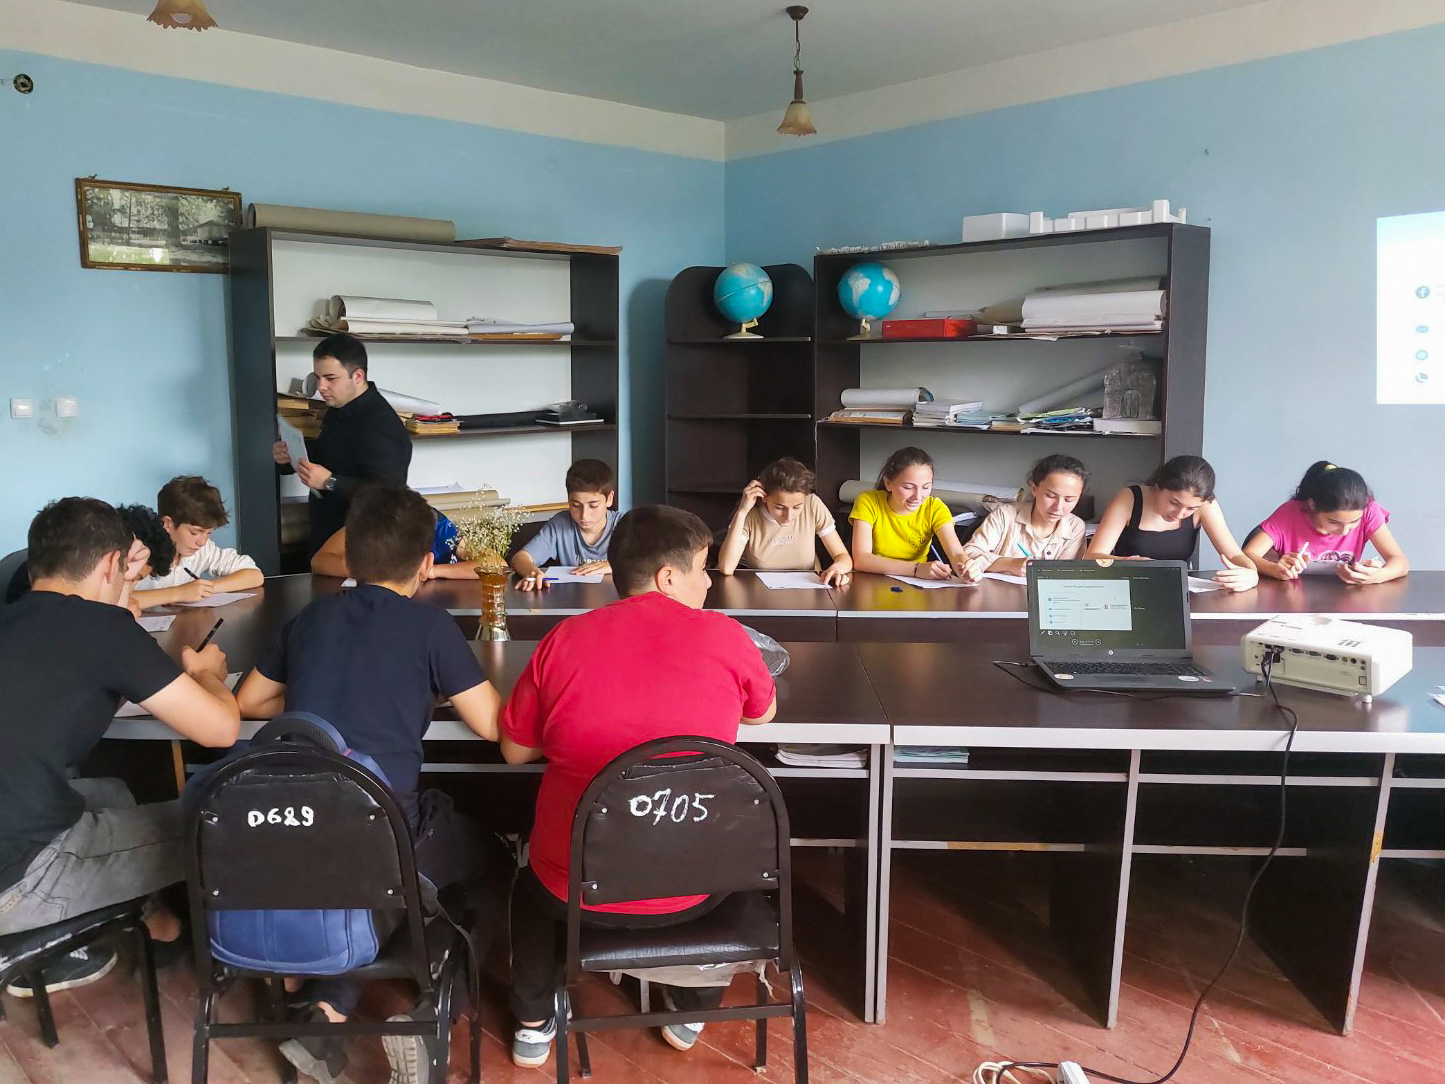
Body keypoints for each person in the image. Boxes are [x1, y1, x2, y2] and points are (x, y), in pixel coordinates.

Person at [236, 483, 505, 1084]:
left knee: (360, 882)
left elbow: (250, 701)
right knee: (490, 865)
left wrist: (313, 688)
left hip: (297, 826)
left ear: (350, 559)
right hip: (387, 833)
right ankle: (432, 1017)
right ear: (427, 564)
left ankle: (326, 1012)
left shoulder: (310, 618)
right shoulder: (430, 626)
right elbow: (491, 724)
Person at [500, 506, 777, 1068]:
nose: (708, 583)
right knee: (739, 868)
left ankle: (532, 1022)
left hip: (575, 888)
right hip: (694, 885)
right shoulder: (726, 635)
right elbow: (761, 714)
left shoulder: (564, 638)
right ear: (667, 577)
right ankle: (691, 1007)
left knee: (526, 887)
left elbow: (515, 751)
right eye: (702, 568)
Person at [0, 498, 239, 995]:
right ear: (113, 563)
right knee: (225, 823)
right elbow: (220, 730)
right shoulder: (104, 630)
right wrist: (208, 675)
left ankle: (156, 923)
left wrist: (121, 588)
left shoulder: (11, 618)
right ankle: (232, 952)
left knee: (111, 791)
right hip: (18, 881)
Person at [273, 333, 412, 556]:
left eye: (330, 378)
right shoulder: (338, 410)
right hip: (328, 537)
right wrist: (289, 456)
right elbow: (331, 454)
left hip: (361, 547)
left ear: (357, 376)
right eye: (317, 377)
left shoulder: (380, 423)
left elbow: (389, 495)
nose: (321, 387)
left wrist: (329, 482)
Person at [1088, 456, 1258, 591]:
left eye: (1191, 508)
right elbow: (1092, 556)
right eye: (1174, 502)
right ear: (1157, 487)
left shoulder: (1206, 505)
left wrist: (1251, 574)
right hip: (1126, 588)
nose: (1180, 514)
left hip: (1176, 591)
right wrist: (1132, 562)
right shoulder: (1130, 499)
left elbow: (1234, 555)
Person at [1243, 460, 1408, 584]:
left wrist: (1376, 576)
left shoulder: (1369, 510)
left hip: (1344, 600)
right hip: (1291, 600)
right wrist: (1274, 569)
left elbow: (1399, 561)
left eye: (1354, 521)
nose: (1345, 531)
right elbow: (1248, 554)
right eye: (1333, 522)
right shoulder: (1290, 514)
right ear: (1312, 505)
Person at [132, 477, 264, 608]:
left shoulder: (203, 548)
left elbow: (254, 575)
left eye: (209, 533)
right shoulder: (137, 551)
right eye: (194, 532)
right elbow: (119, 601)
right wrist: (179, 593)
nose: (202, 542)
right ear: (167, 523)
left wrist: (205, 588)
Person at [718, 457, 853, 586]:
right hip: (761, 594)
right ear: (764, 497)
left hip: (807, 593)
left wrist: (837, 568)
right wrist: (742, 511)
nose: (788, 516)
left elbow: (842, 556)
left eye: (797, 507)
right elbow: (726, 568)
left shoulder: (812, 505)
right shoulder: (751, 515)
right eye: (780, 507)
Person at [957, 455, 1089, 581]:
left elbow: (1067, 574)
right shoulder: (1005, 515)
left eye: (1069, 500)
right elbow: (968, 553)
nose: (1058, 507)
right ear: (1034, 488)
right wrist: (1009, 564)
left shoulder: (1075, 527)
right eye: (1050, 496)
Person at [849, 447, 968, 579]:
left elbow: (956, 554)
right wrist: (916, 569)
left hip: (918, 583)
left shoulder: (935, 508)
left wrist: (966, 567)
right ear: (888, 483)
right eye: (908, 487)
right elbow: (861, 559)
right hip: (874, 579)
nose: (918, 496)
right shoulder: (868, 502)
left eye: (926, 487)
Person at [511, 459, 619, 591]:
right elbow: (520, 558)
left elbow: (645, 562)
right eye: (576, 505)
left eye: (593, 505)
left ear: (609, 498)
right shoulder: (560, 525)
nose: (584, 515)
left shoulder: (624, 524)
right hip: (572, 599)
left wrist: (615, 565)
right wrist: (532, 572)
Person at [310, 504, 477, 580]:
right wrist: (364, 569)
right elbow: (319, 561)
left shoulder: (440, 530)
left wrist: (434, 571)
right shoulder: (367, 523)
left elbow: (490, 564)